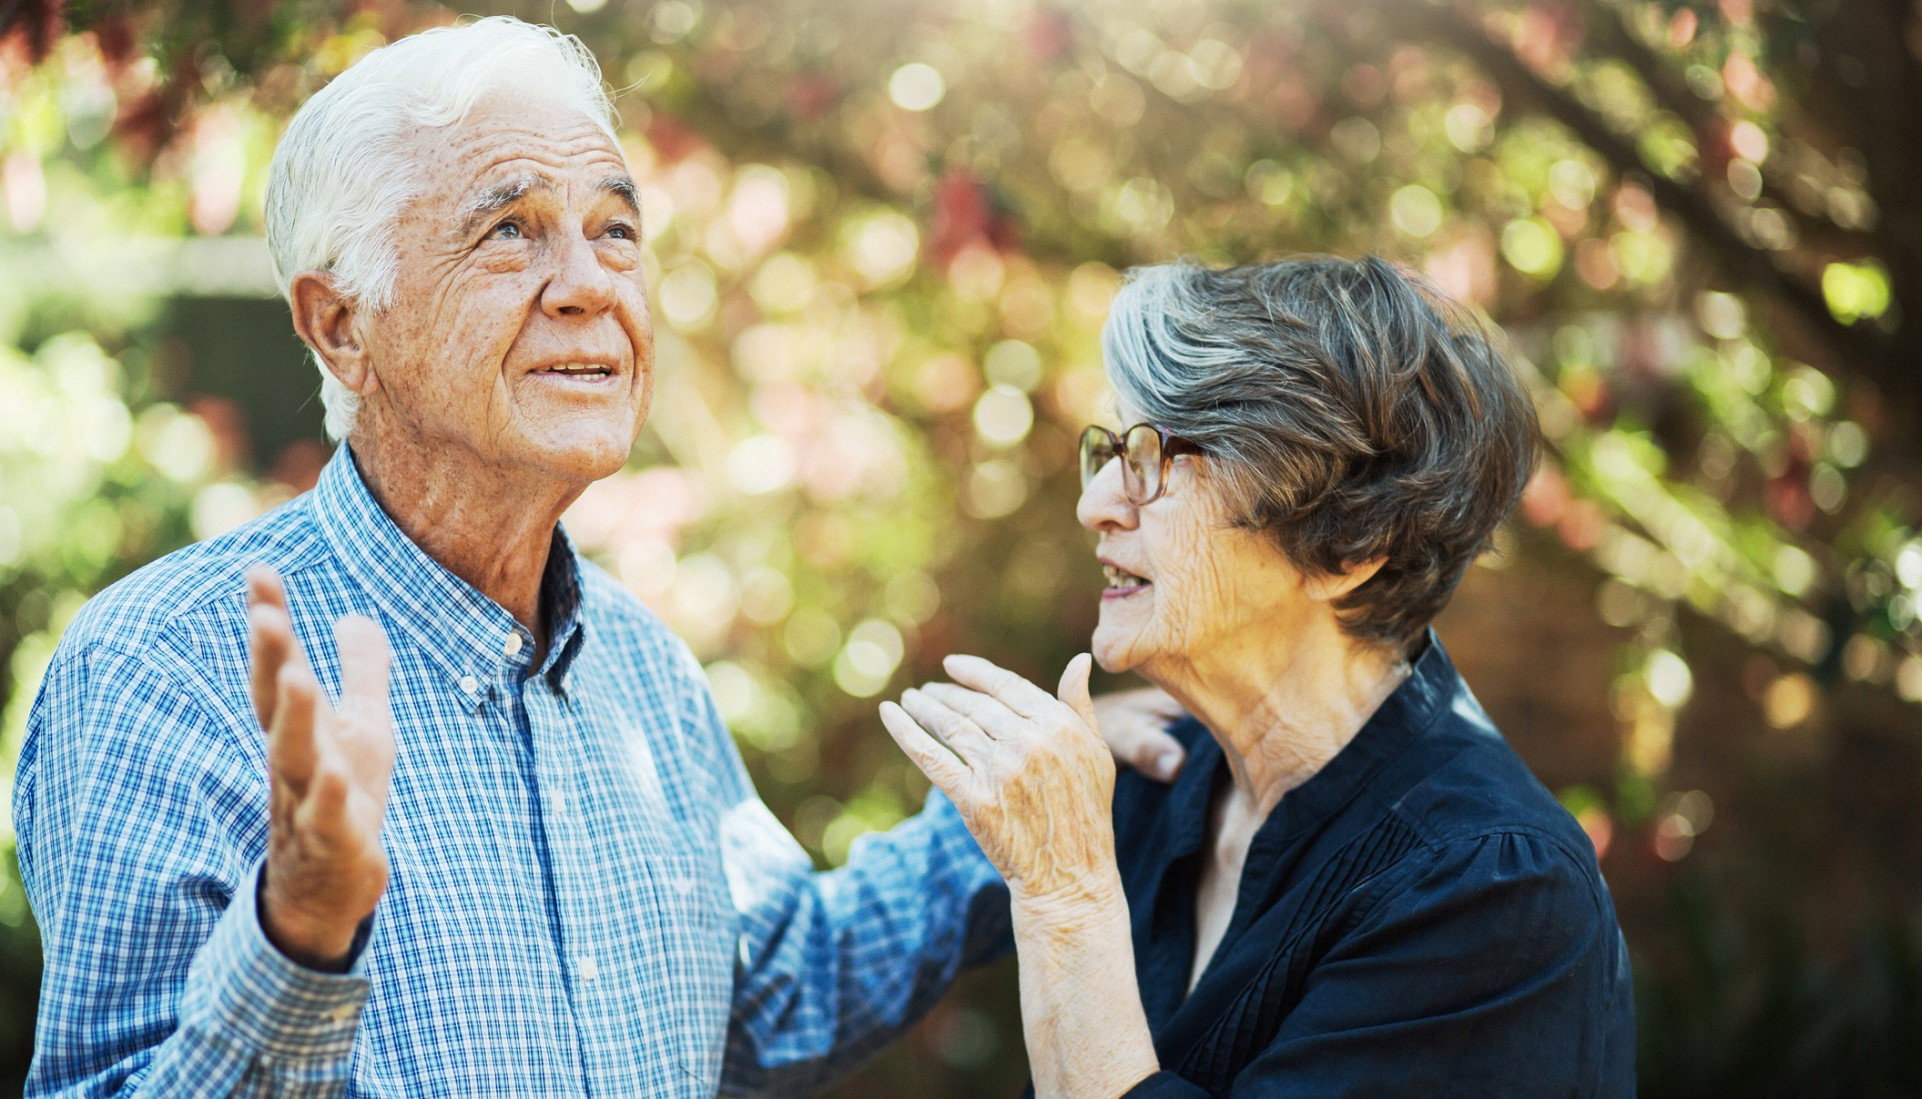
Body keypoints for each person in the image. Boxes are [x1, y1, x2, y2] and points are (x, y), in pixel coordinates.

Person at [11, 18, 1181, 1096]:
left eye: (615, 230)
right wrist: (300, 931)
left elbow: (772, 993)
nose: (589, 284)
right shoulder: (160, 671)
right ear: (340, 324)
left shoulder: (639, 671)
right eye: (509, 230)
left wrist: (1027, 805)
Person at [881, 256, 1637, 1097]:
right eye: (1112, 446)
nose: (1097, 501)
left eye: (1155, 456)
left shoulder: (1491, 892)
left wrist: (1067, 899)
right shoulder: (1150, 779)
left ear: (1348, 544)